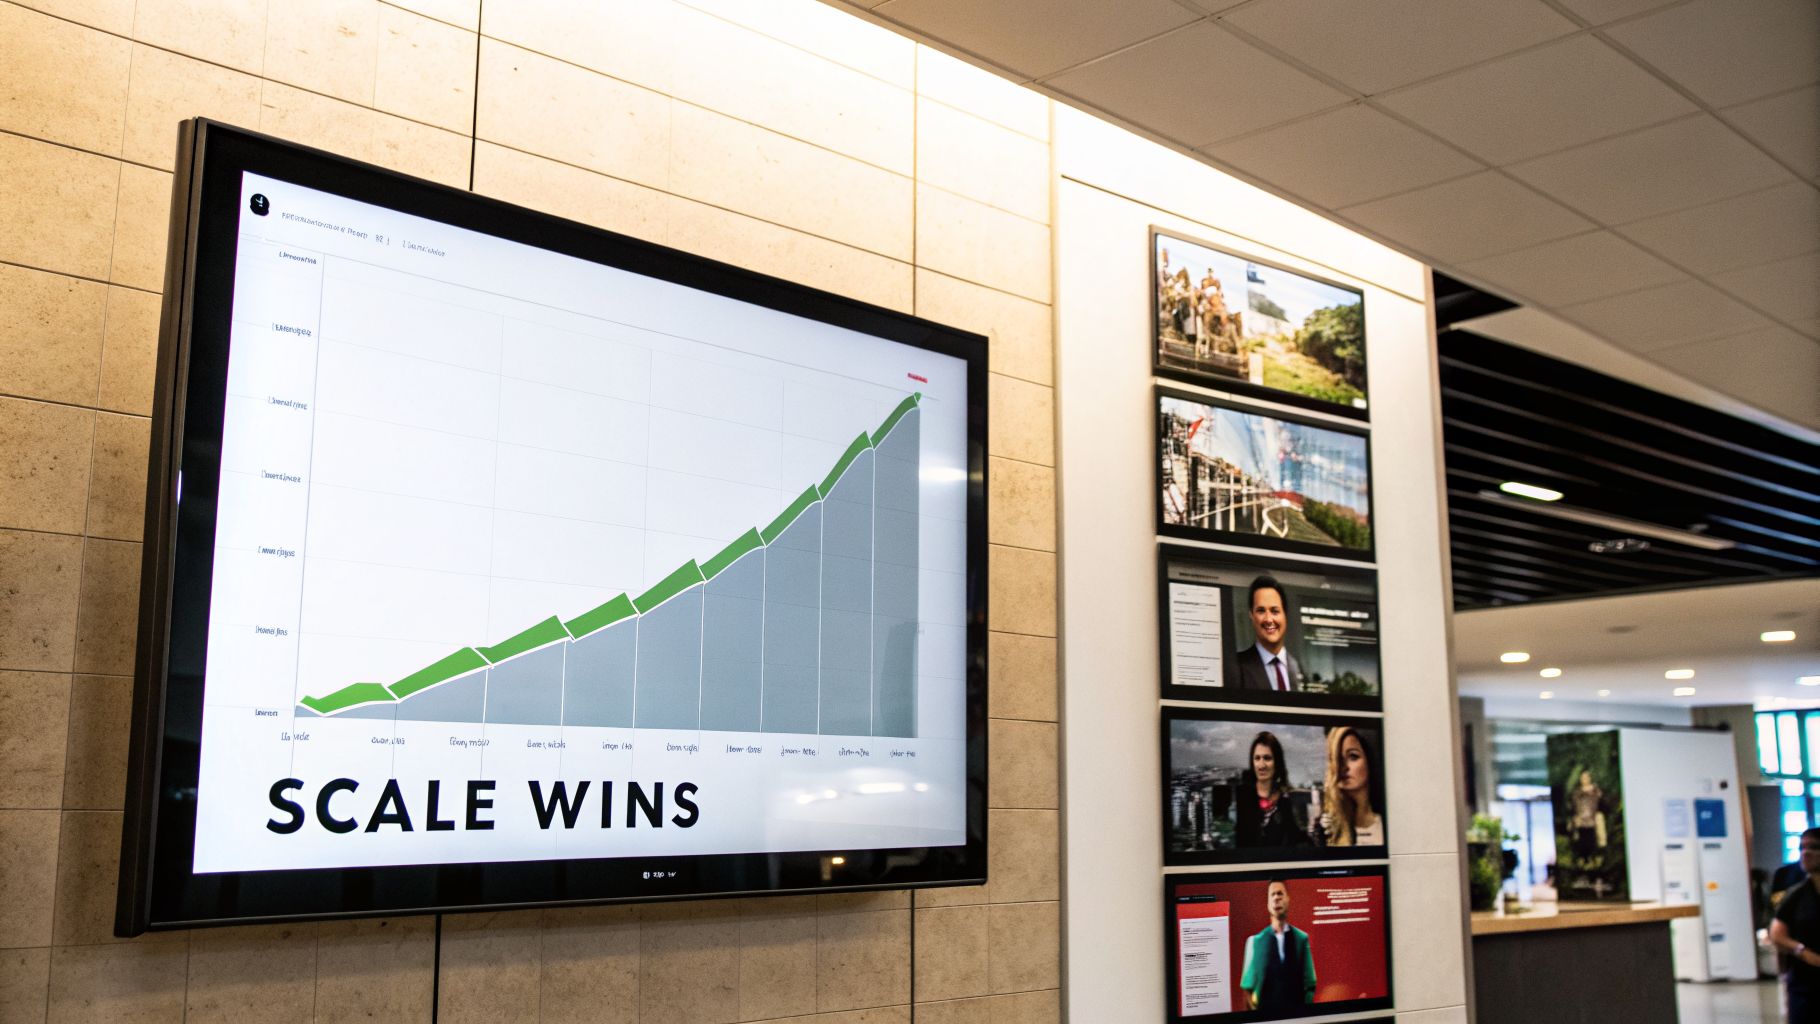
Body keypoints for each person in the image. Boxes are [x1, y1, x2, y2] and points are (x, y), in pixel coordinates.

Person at [1239, 879, 1316, 1011]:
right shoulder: (1255, 942)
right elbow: (1247, 990)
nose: (1276, 898)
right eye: (1272, 894)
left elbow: (1310, 984)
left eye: (1280, 893)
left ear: (1288, 899)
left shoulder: (1301, 939)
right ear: (1268, 903)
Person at [1770, 827, 1820, 1022]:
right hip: (1805, 984)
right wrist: (1802, 952)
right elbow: (1777, 934)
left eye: (1814, 847)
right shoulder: (1796, 895)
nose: (1806, 853)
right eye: (1802, 848)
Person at [1224, 575, 1305, 693]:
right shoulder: (1236, 667)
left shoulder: (1297, 668)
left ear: (1284, 615)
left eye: (1275, 611)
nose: (1268, 619)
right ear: (1251, 615)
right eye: (1261, 611)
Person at [1234, 731, 1309, 848]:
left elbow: (1297, 839)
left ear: (1277, 762)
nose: (1261, 765)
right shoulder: (1241, 797)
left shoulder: (1286, 802)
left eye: (1267, 758)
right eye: (1257, 758)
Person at [1314, 726, 1385, 847]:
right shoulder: (1327, 829)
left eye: (1353, 756)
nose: (1344, 767)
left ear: (1369, 761)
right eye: (1338, 759)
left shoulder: (1387, 822)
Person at [1568, 769, 1606, 861]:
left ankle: (1595, 858)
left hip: (1593, 821)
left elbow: (1603, 805)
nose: (1585, 779)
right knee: (1582, 843)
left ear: (1590, 778)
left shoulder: (1597, 791)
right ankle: (1582, 859)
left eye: (1587, 777)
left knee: (1594, 842)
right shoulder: (1576, 793)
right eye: (1583, 777)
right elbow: (1573, 807)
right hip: (1581, 822)